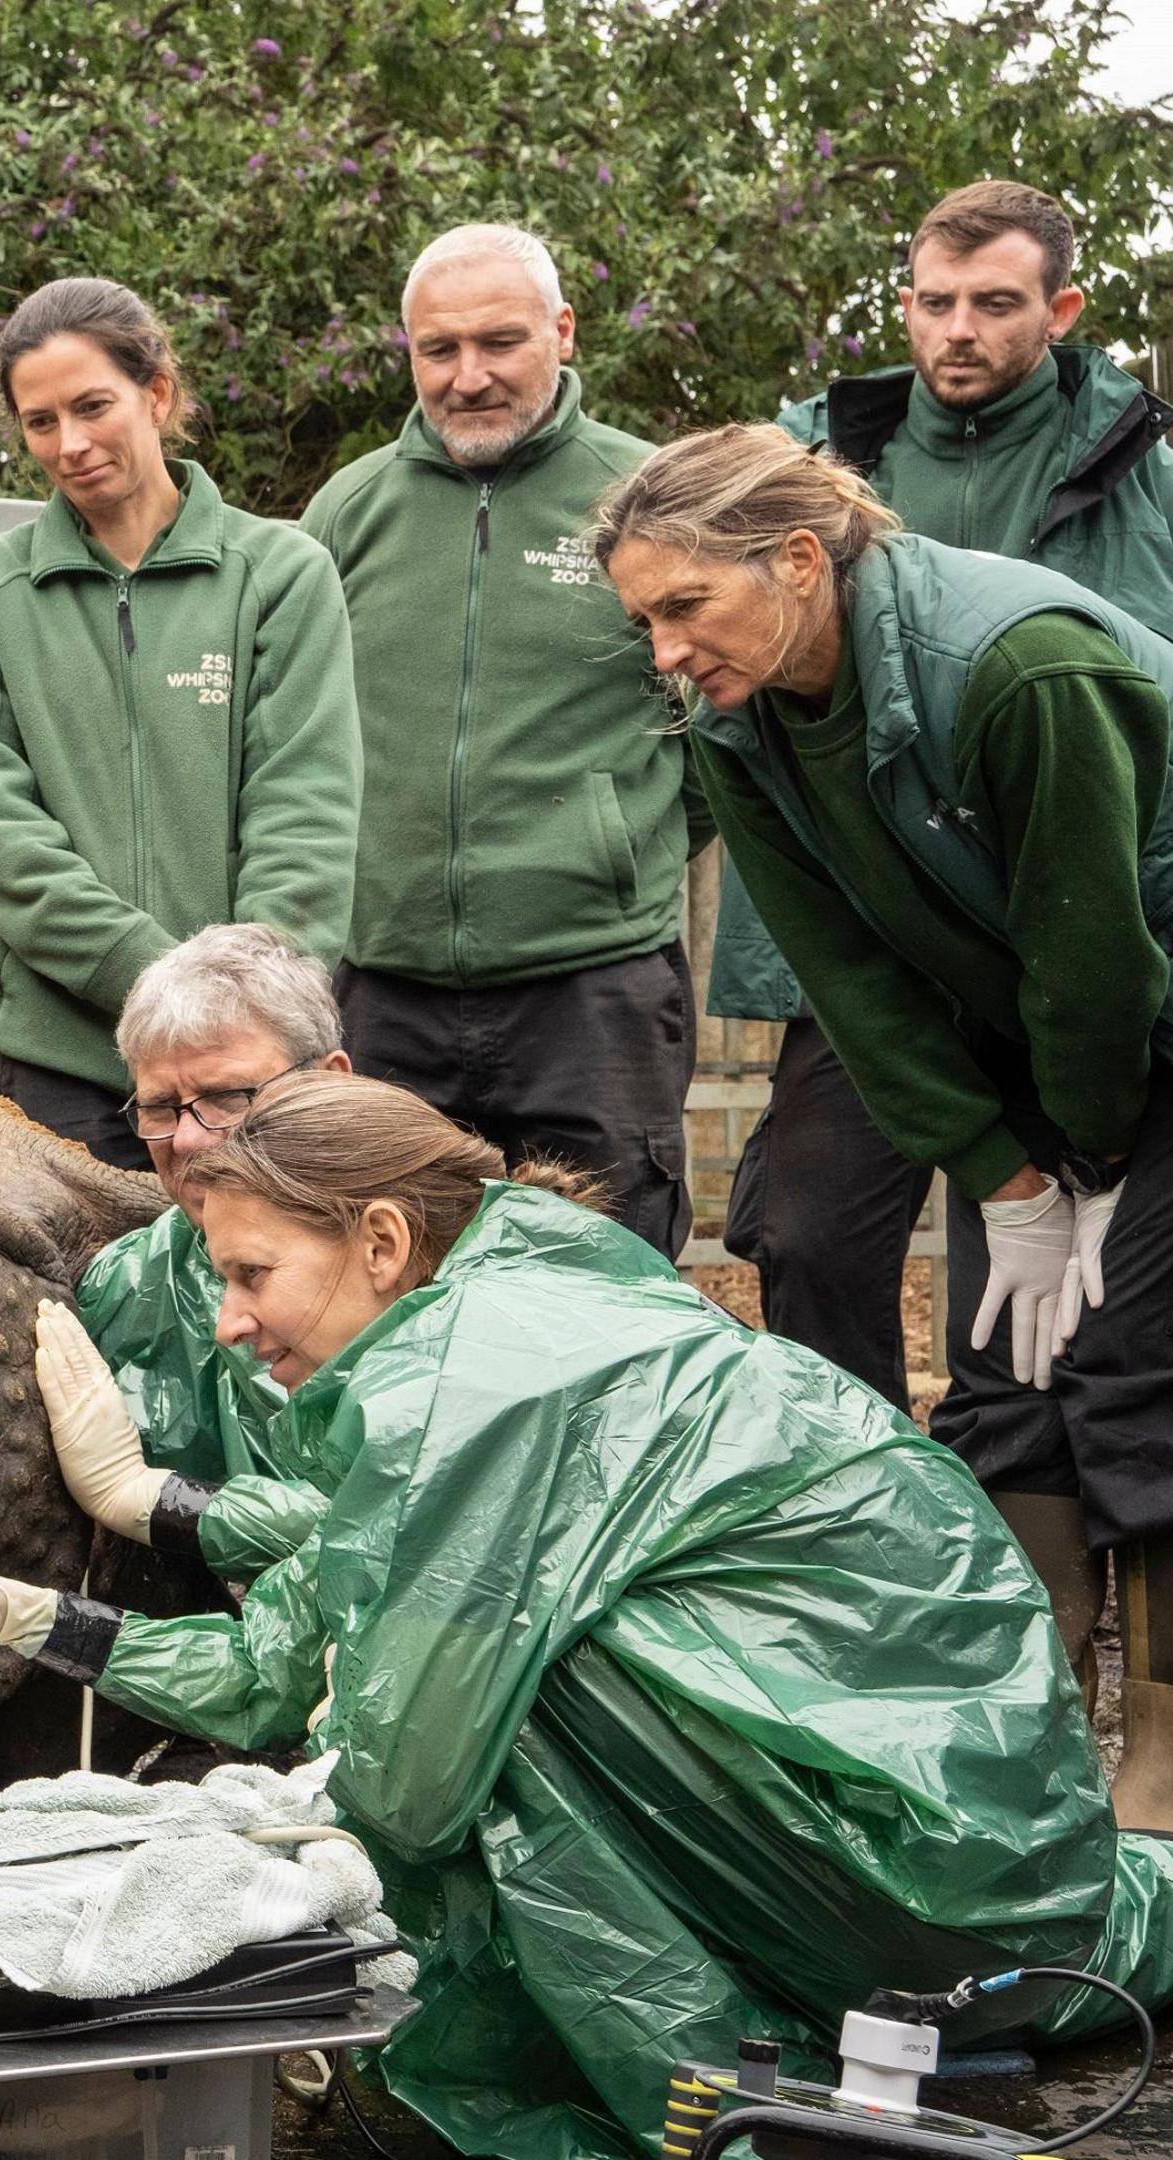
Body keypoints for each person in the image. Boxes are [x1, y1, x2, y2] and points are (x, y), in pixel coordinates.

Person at [0, 1073, 1171, 2160]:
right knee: (459, 1683)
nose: (231, 1320)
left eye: (254, 1271)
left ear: (379, 1240)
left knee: (491, 1718)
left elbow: (411, 1788)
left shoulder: (480, 1379)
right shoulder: (489, 1320)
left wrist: (298, 1767)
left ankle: (711, 2112)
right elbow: (282, 1662)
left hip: (923, 1852)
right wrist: (26, 1615)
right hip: (948, 1817)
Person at [597, 422, 1173, 1826]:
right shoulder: (737, 718)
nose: (665, 651)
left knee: (1136, 1361)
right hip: (1032, 1020)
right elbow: (853, 976)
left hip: (1144, 1004)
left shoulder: (1021, 668)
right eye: (643, 621)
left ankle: (1161, 1754)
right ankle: (1030, 1732)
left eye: (687, 607)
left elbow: (1098, 958)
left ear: (798, 559)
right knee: (999, 1366)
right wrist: (1003, 1179)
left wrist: (1088, 1165)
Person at [717, 180, 1173, 1409]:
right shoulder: (805, 463)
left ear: (1063, 309)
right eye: (933, 302)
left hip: (1077, 920)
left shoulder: (1144, 472)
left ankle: (1057, 1535)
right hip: (880, 922)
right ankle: (867, 1518)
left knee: (1055, 1302)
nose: (957, 330)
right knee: (806, 1234)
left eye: (995, 303)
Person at [299, 226, 697, 1253]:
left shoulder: (650, 497)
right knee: (385, 1287)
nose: (469, 376)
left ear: (563, 334)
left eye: (501, 343)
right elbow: (290, 731)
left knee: (607, 1290)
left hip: (592, 988)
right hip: (384, 990)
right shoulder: (348, 512)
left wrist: (617, 844)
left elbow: (719, 729)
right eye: (440, 350)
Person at [0, 278, 362, 1167]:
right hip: (60, 1063)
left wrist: (234, 1011)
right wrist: (161, 983)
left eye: (93, 406)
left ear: (156, 393)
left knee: (255, 1301)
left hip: (248, 1065)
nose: (70, 444)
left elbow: (304, 806)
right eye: (40, 422)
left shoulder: (280, 573)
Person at [54, 924, 347, 1581]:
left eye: (226, 1098)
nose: (188, 1140)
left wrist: (149, 1500)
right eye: (161, 1107)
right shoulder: (125, 1286)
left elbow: (414, 1534)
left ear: (331, 1082)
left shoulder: (434, 1266)